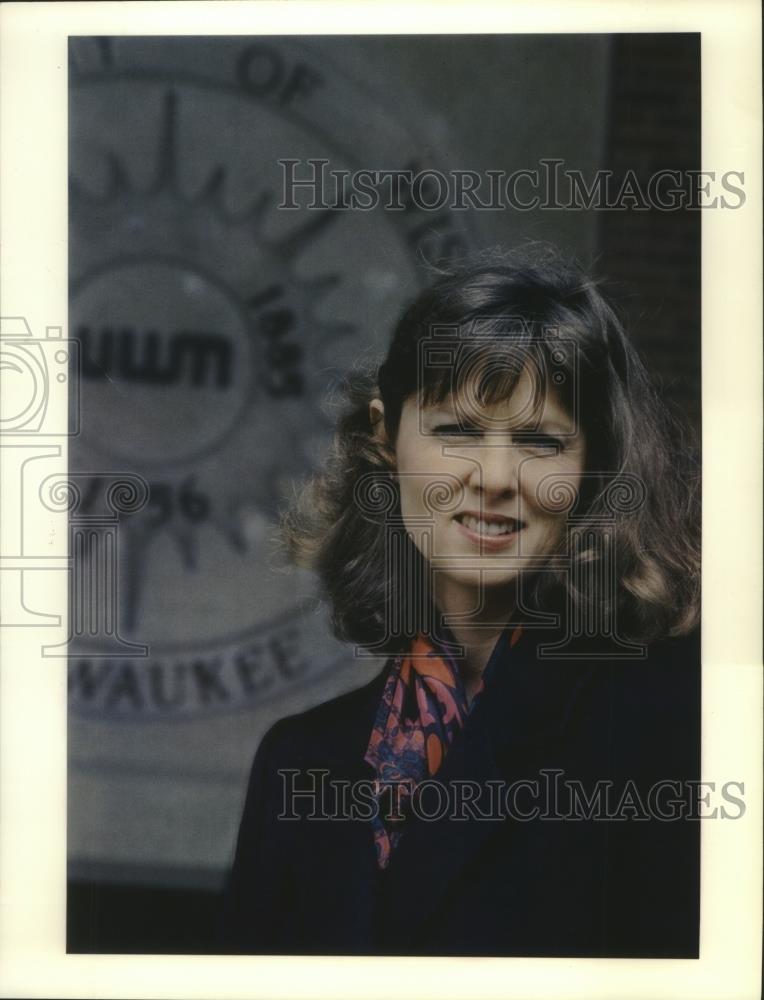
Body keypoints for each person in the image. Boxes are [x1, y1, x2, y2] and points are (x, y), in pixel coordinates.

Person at [221, 247, 701, 957]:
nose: (495, 478)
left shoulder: (673, 726)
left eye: (541, 441)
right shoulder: (299, 763)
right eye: (457, 430)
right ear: (384, 437)